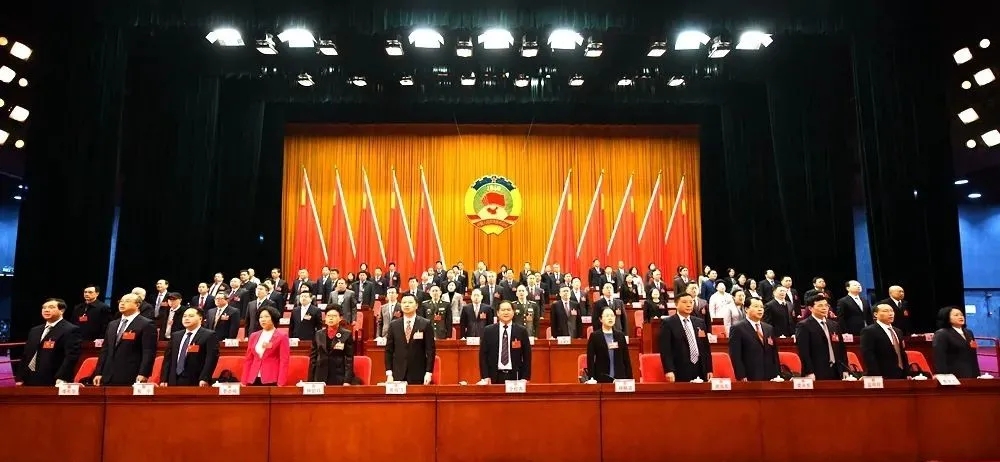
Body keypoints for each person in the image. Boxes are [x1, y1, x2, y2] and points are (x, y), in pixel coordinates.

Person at [93, 294, 158, 386]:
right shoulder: (112, 324)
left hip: (131, 375)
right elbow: (105, 350)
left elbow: (148, 351)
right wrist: (99, 372)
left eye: (127, 301)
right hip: (107, 375)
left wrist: (143, 373)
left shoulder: (146, 324)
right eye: (121, 301)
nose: (122, 303)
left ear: (137, 305)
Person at [15, 298, 82, 386]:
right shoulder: (34, 330)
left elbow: (71, 357)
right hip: (30, 378)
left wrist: (62, 378)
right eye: (44, 308)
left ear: (61, 310)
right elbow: (26, 355)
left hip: (53, 379)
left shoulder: (71, 330)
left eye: (51, 307)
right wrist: (20, 377)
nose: (46, 310)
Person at [658, 292, 713, 382]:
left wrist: (709, 369)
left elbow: (705, 348)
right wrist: (669, 370)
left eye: (691, 302)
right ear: (676, 304)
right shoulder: (668, 323)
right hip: (680, 369)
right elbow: (665, 349)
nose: (688, 305)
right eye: (684, 302)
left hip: (700, 367)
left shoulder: (700, 322)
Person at [159, 307, 220, 386]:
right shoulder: (176, 335)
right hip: (173, 380)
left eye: (191, 316)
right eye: (184, 316)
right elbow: (168, 359)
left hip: (196, 380)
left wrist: (204, 378)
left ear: (200, 318)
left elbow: (211, 359)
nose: (186, 318)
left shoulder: (209, 335)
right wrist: (164, 379)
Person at [385, 294, 435, 385]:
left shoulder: (425, 324)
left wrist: (428, 373)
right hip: (397, 373)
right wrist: (389, 373)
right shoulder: (394, 325)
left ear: (416, 305)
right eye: (404, 302)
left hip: (419, 373)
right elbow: (389, 350)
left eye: (410, 302)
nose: (407, 305)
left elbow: (430, 350)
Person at [795, 294, 848, 380]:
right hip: (817, 371)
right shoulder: (803, 325)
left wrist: (845, 369)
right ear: (810, 308)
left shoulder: (834, 325)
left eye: (826, 305)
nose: (824, 308)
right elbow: (804, 351)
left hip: (837, 370)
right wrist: (809, 372)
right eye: (820, 306)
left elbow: (842, 349)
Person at [478, 301, 532, 383]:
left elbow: (527, 356)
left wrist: (525, 377)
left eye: (508, 310)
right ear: (498, 313)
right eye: (503, 310)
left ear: (513, 312)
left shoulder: (521, 331)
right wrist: (485, 376)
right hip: (494, 376)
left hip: (516, 376)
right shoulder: (488, 331)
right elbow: (483, 355)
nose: (506, 312)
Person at [727, 298, 779, 381]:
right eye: (756, 306)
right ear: (746, 309)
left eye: (761, 307)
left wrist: (777, 374)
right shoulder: (737, 328)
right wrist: (741, 375)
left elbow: (774, 354)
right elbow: (735, 355)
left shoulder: (769, 328)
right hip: (750, 375)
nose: (760, 309)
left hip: (769, 375)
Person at [241, 307, 290, 386]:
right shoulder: (253, 336)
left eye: (266, 316)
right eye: (261, 317)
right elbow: (249, 359)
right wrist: (244, 380)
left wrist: (281, 382)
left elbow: (284, 361)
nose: (263, 319)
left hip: (272, 378)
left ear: (273, 318)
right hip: (253, 378)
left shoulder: (282, 336)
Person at [308, 305, 355, 385]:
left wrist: (347, 380)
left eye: (334, 316)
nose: (331, 318)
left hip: (338, 376)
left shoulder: (347, 334)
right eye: (328, 316)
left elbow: (349, 360)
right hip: (320, 376)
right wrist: (310, 380)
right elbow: (313, 359)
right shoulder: (318, 334)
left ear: (340, 318)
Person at [859, 304, 909, 379]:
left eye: (892, 311)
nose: (890, 313)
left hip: (901, 375)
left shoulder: (898, 331)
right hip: (882, 375)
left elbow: (902, 353)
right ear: (876, 314)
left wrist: (907, 373)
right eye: (886, 311)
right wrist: (875, 375)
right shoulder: (869, 331)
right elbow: (868, 354)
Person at [585, 307, 633, 382]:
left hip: (620, 378)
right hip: (601, 378)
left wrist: (629, 379)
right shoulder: (595, 336)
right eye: (607, 316)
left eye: (612, 315)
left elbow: (626, 359)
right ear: (601, 319)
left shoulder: (620, 336)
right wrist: (591, 378)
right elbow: (590, 359)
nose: (610, 318)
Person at [931, 307, 981, 378]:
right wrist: (943, 375)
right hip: (954, 375)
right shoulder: (942, 334)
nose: (960, 317)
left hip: (972, 374)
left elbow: (973, 356)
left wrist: (977, 374)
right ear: (947, 318)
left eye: (961, 315)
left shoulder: (969, 332)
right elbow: (939, 357)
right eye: (956, 315)